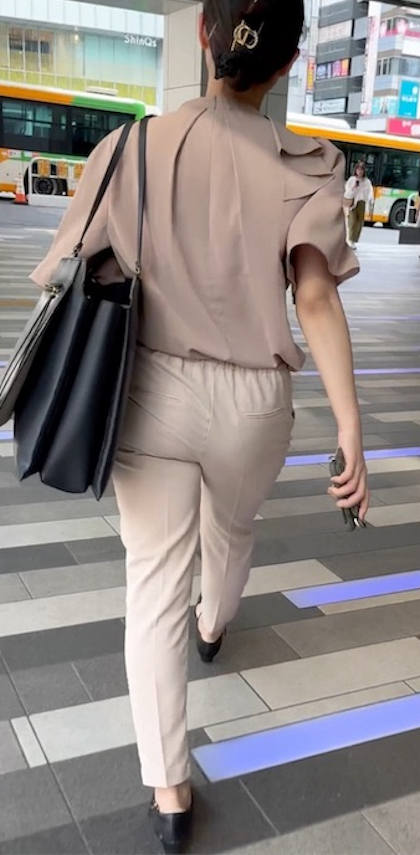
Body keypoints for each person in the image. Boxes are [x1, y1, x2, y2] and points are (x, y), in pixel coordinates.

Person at [29, 0, 369, 850]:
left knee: (153, 582)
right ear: (288, 64)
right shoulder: (313, 164)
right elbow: (315, 296)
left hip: (150, 387)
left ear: (200, 37)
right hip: (255, 401)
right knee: (234, 528)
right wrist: (351, 427)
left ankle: (170, 790)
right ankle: (216, 623)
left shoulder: (129, 147)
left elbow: (66, 267)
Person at [344, 161, 374, 249]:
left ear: (364, 171)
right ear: (355, 170)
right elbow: (347, 192)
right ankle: (350, 239)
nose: (360, 172)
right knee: (352, 221)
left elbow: (370, 192)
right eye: (358, 169)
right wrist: (353, 187)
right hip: (352, 202)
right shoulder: (352, 180)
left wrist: (370, 201)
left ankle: (353, 241)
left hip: (361, 203)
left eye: (361, 170)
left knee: (359, 222)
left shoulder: (367, 181)